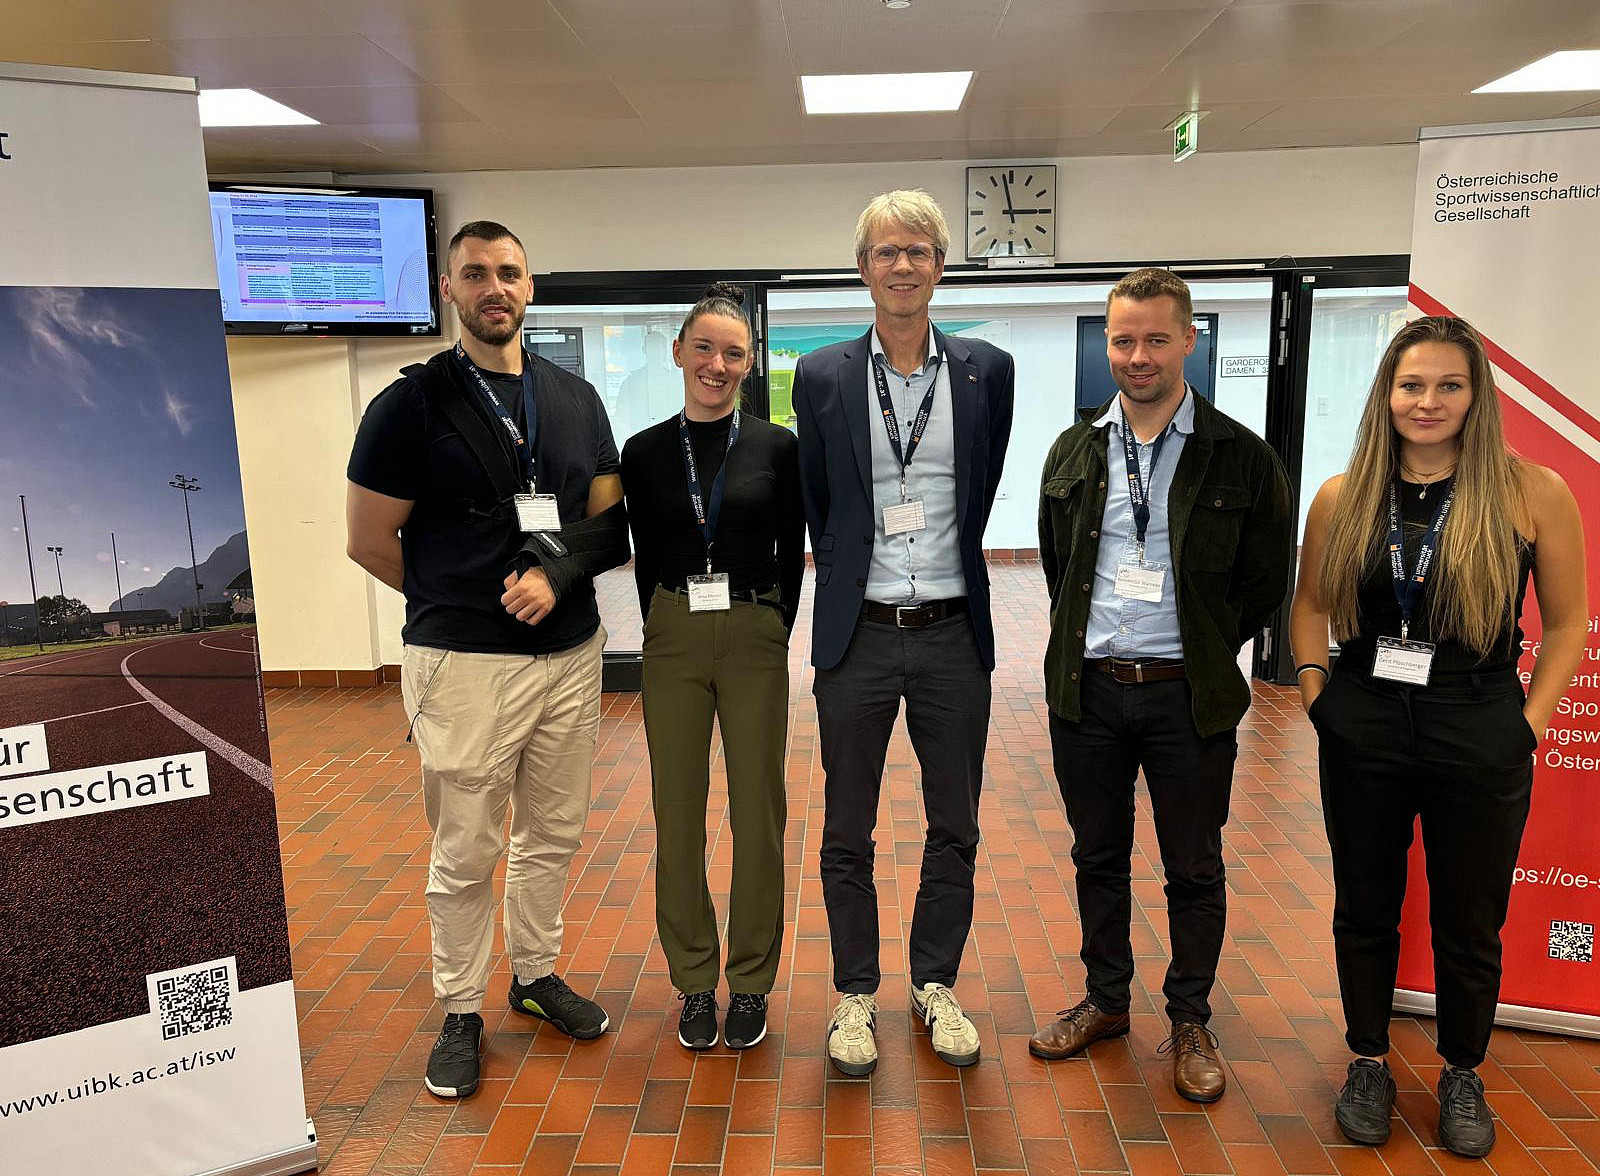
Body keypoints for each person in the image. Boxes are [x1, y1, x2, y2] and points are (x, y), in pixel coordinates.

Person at [345, 220, 630, 1099]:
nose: (494, 288)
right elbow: (368, 540)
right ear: (449, 290)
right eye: (476, 275)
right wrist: (460, 607)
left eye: (509, 273)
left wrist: (555, 575)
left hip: (570, 656)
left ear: (531, 287)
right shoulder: (410, 405)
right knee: (466, 849)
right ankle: (461, 1008)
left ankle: (535, 977)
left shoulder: (575, 399)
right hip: (463, 666)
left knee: (552, 832)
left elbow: (609, 524)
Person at [1290, 315, 1586, 1157]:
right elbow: (1309, 606)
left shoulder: (1534, 493)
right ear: (1387, 393)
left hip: (1478, 718)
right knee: (1366, 903)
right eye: (1411, 384)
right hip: (1366, 714)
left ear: (1476, 396)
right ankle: (1369, 1060)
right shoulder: (1345, 495)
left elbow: (1567, 625)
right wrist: (1319, 699)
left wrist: (1524, 728)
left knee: (1470, 913)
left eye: (1448, 385)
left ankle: (1462, 1070)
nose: (1428, 402)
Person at [1031, 268, 1293, 1103]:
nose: (1136, 356)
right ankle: (1108, 1001)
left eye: (1153, 338)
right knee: (1097, 855)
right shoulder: (1074, 449)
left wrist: (1206, 650)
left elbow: (1264, 582)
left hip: (1189, 695)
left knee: (1194, 863)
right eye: (1121, 339)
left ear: (1188, 340)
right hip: (1091, 691)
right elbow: (1057, 562)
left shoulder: (1242, 457)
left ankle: (1189, 1017)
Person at [793, 189, 1015, 1076]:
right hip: (860, 632)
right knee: (848, 826)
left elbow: (982, 483)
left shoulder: (986, 369)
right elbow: (822, 504)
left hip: (955, 631)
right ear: (863, 269)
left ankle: (934, 983)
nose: (902, 265)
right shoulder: (823, 376)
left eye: (918, 250)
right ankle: (854, 995)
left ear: (940, 264)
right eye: (885, 251)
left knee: (952, 822)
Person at [620, 283, 804, 1052]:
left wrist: (773, 625)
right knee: (678, 812)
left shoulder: (775, 446)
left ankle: (752, 981)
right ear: (678, 352)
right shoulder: (644, 451)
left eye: (733, 353)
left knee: (759, 812)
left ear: (749, 363)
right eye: (704, 348)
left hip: (754, 627)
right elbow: (644, 557)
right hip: (674, 635)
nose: (717, 364)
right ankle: (696, 980)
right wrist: (664, 623)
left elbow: (793, 545)